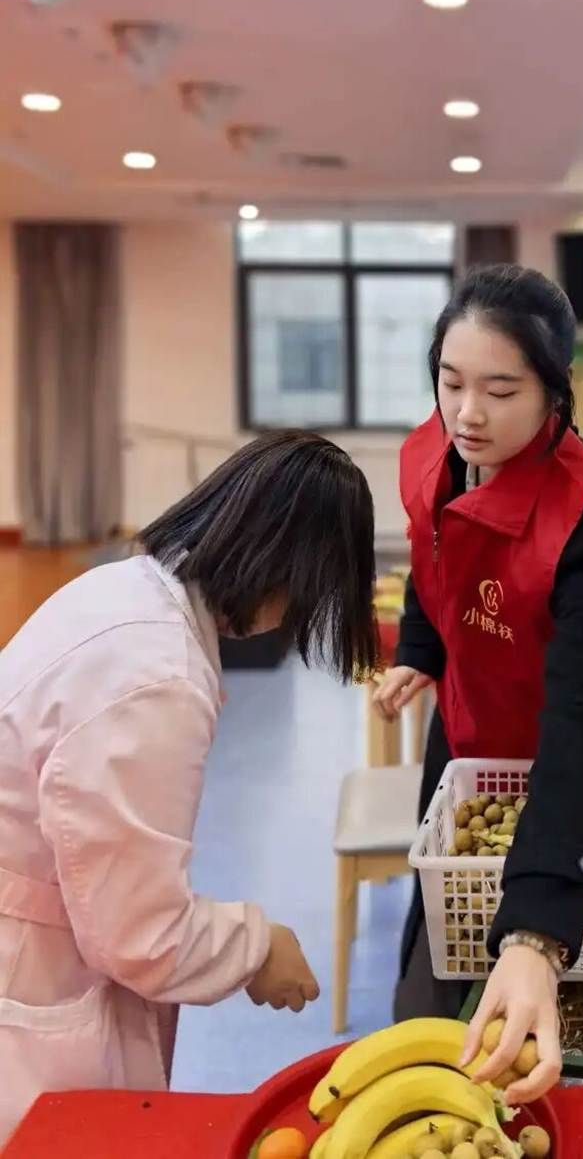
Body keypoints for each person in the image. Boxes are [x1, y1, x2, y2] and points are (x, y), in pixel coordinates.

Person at [0, 431, 379, 1145]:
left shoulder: (127, 591)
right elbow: (136, 930)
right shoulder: (155, 676)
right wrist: (256, 948)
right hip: (28, 965)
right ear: (286, 570)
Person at [373, 264, 583, 1103]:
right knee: (437, 948)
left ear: (553, 392)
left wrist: (536, 927)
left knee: (566, 993)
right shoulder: (435, 452)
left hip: (572, 758)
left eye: (501, 390)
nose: (468, 411)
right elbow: (433, 555)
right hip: (467, 736)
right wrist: (422, 647)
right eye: (451, 381)